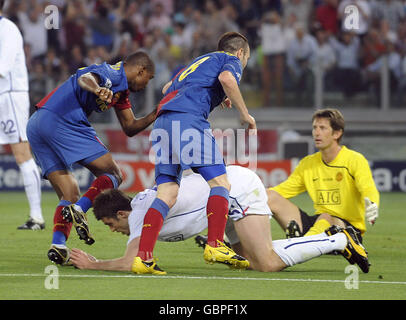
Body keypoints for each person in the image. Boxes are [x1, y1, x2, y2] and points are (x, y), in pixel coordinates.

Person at [69, 165, 370, 274]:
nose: (114, 230)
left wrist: (92, 264)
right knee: (251, 261)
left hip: (235, 189)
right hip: (220, 200)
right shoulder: (146, 206)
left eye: (111, 225)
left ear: (122, 213)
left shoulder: (141, 214)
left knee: (265, 262)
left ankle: (339, 239)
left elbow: (131, 262)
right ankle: (333, 240)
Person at [132, 31, 257, 275]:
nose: (243, 64)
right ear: (240, 53)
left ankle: (143, 258)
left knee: (167, 191)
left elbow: (168, 87)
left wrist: (214, 95)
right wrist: (244, 114)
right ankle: (215, 244)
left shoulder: (197, 62)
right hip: (188, 121)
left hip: (163, 123)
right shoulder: (230, 60)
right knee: (221, 182)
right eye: (245, 60)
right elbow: (227, 80)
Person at [26, 51, 157, 265]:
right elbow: (85, 78)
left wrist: (157, 112)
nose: (146, 85)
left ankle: (58, 246)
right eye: (148, 79)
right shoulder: (112, 73)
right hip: (62, 120)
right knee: (114, 173)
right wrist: (98, 89)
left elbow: (130, 127)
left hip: (38, 123)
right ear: (141, 70)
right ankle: (80, 210)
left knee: (69, 192)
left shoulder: (121, 93)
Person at [267, 108, 379, 243]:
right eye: (315, 128)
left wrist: (372, 203)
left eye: (322, 128)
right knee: (270, 197)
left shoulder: (354, 159)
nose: (317, 133)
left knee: (327, 217)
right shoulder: (308, 163)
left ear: (337, 133)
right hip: (319, 224)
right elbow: (282, 190)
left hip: (348, 229)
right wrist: (251, 198)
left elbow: (367, 187)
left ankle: (301, 243)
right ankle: (256, 243)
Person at [0, 0, 44, 230]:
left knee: (21, 153)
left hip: (9, 97)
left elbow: (2, 68)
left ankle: (36, 216)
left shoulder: (8, 29)